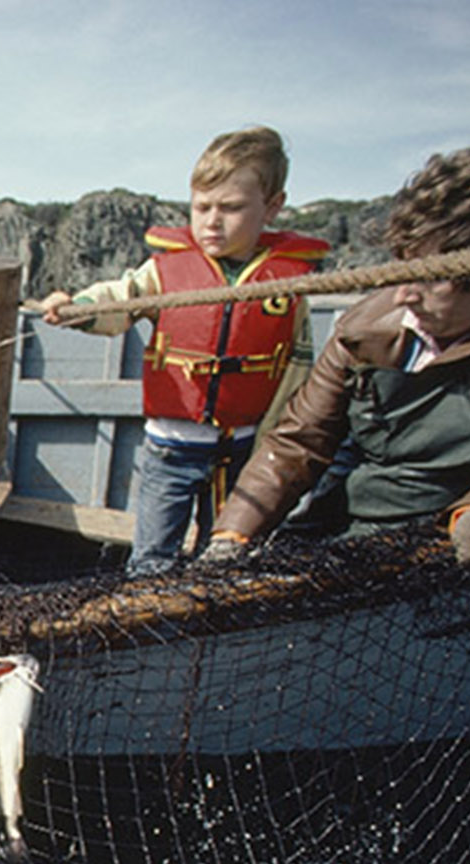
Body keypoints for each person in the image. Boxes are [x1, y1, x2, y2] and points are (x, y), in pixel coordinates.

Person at [200, 138, 470, 584]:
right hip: (358, 525)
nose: (403, 295)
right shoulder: (363, 328)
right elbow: (298, 440)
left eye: (430, 278)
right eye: (401, 267)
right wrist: (232, 536)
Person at [40, 127, 327, 575]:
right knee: (152, 559)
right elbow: (122, 297)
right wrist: (76, 308)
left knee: (232, 557)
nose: (212, 221)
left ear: (272, 206)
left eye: (230, 208)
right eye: (202, 207)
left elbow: (298, 365)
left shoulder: (291, 284)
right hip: (171, 449)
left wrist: (276, 435)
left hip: (245, 450)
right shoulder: (165, 270)